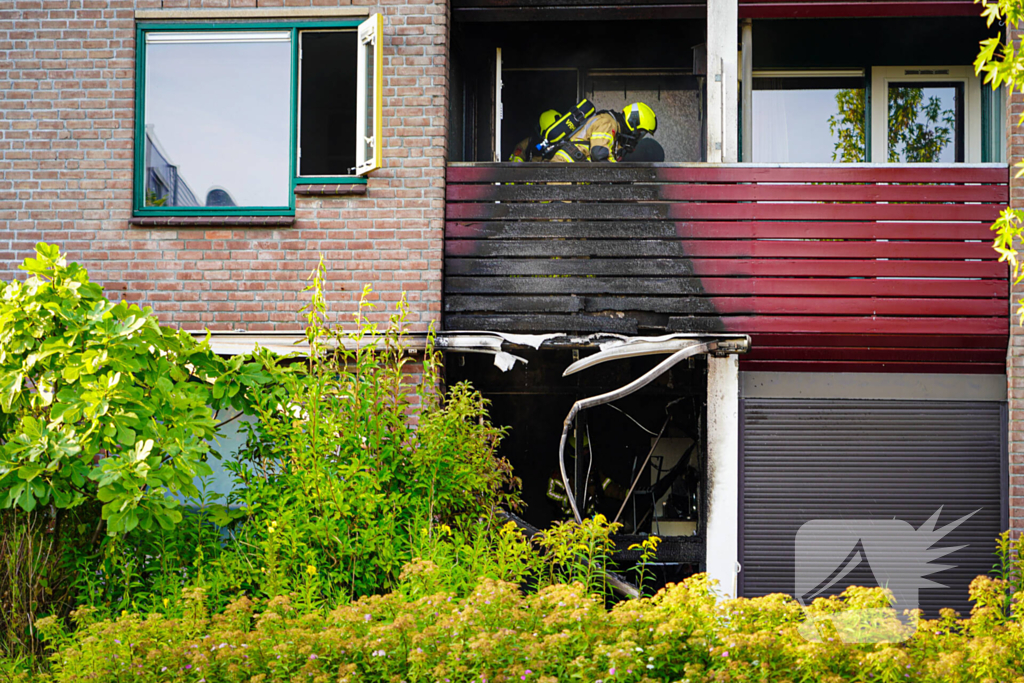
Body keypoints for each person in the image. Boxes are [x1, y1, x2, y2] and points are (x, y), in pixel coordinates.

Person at [549, 102, 657, 163]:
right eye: (640, 132)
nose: (638, 137)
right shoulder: (608, 122)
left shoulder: (615, 133)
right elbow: (599, 155)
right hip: (563, 171)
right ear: (633, 122)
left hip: (570, 175)